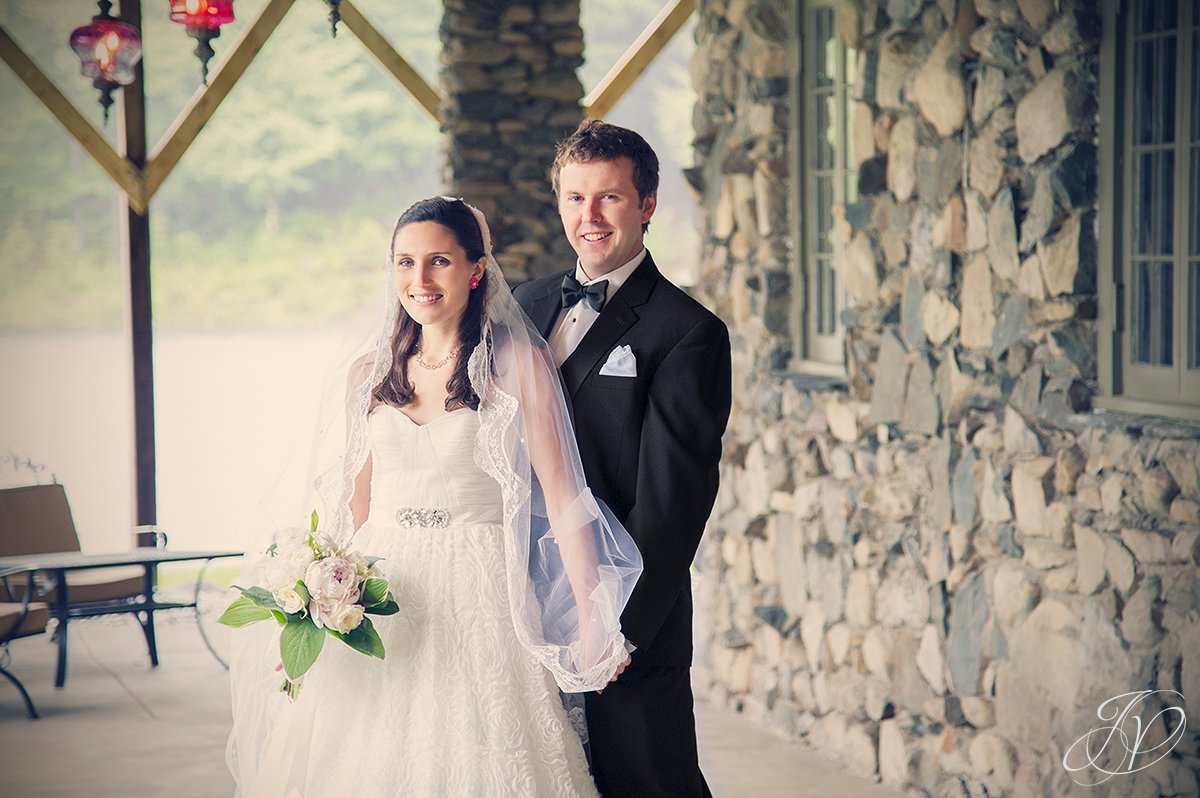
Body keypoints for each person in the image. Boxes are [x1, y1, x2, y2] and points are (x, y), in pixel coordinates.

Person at [227, 197, 643, 797]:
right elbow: (352, 509)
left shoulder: (517, 365)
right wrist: (311, 609)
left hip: (480, 591)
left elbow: (563, 500)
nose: (418, 281)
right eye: (404, 263)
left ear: (476, 270)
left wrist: (594, 617)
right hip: (383, 588)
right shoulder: (367, 375)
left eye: (438, 262)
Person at [513, 120, 732, 797]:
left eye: (609, 198)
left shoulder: (686, 331)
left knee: (648, 780)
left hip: (624, 614)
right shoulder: (526, 304)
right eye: (575, 198)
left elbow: (672, 504)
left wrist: (615, 629)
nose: (590, 217)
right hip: (519, 601)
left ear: (648, 204)